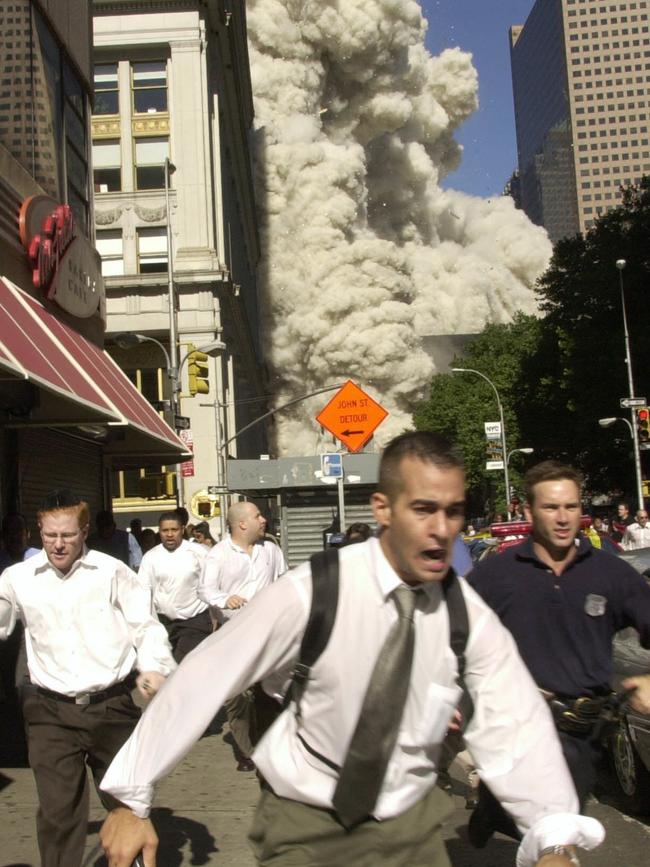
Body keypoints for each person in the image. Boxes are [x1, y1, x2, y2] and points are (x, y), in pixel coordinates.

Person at [99, 433, 606, 867]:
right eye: (423, 509)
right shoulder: (313, 592)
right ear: (382, 508)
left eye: (453, 512)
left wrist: (553, 837)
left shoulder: (465, 616)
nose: (442, 529)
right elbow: (205, 676)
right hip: (306, 819)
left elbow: (515, 724)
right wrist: (131, 797)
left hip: (410, 822)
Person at [467, 460, 650, 852]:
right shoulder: (495, 576)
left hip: (580, 734)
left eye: (571, 507)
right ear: (528, 512)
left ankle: (494, 809)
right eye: (551, 508)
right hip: (514, 727)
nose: (564, 518)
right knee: (556, 839)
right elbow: (449, 638)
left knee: (549, 821)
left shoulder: (609, 573)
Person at [0, 489, 175, 867]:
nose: (58, 545)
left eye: (67, 535)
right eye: (50, 535)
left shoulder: (112, 572)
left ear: (84, 530)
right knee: (58, 816)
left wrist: (154, 666)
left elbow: (145, 625)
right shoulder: (18, 578)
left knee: (128, 808)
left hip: (111, 708)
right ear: (38, 531)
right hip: (49, 712)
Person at [199, 501, 287, 771]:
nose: (264, 520)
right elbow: (205, 590)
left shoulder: (270, 550)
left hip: (268, 634)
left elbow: (283, 582)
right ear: (242, 524)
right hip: (233, 635)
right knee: (237, 698)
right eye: (258, 516)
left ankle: (273, 748)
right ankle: (247, 752)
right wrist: (225, 599)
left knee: (270, 693)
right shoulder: (219, 554)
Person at [137, 512, 211, 664]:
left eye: (174, 530)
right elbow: (143, 591)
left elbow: (212, 585)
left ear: (182, 530)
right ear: (159, 531)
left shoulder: (199, 552)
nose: (170, 534)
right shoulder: (151, 557)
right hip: (165, 624)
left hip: (194, 621)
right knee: (167, 667)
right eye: (165, 531)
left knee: (182, 665)